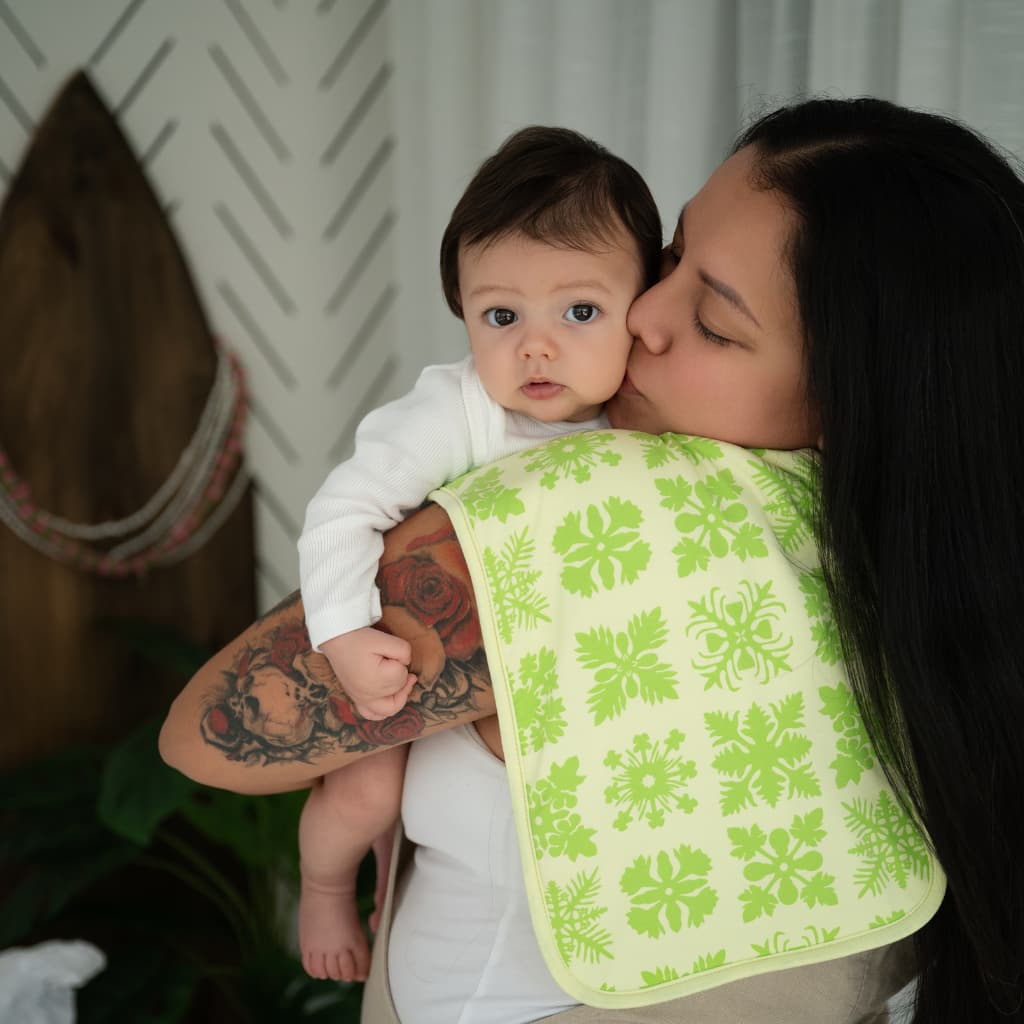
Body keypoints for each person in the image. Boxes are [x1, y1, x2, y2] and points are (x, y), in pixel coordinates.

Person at [159, 96, 1024, 1023]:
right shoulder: (931, 552)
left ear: (851, 399)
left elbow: (205, 735)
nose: (643, 312)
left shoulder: (573, 516)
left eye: (717, 324)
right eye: (674, 255)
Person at [294, 127, 662, 982]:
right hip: (417, 657)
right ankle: (322, 882)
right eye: (502, 315)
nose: (536, 346)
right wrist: (346, 638)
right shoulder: (458, 411)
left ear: (642, 306)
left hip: (542, 672)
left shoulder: (643, 419)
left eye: (580, 312)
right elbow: (341, 511)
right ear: (464, 310)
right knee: (367, 793)